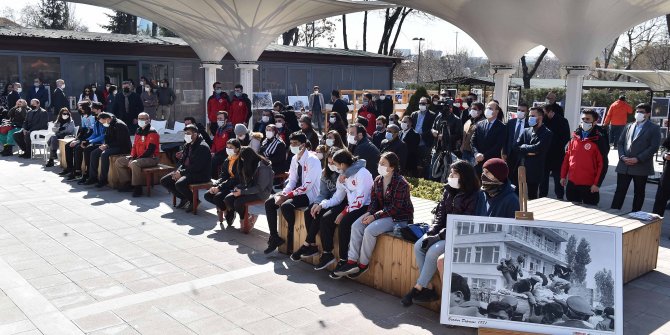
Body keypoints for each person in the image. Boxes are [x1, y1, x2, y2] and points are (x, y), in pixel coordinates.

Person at [402, 160, 480, 306]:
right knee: (419, 245)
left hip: (458, 234)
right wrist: (432, 232)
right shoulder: (448, 190)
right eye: (451, 172)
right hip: (442, 232)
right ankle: (429, 287)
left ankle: (418, 288)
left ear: (464, 176)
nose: (450, 176)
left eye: (454, 173)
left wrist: (438, 237)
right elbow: (440, 215)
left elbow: (462, 223)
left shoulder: (473, 195)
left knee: (432, 252)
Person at [332, 152, 413, 279]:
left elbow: (395, 208)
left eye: (383, 164)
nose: (379, 166)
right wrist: (369, 213)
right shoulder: (378, 180)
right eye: (379, 163)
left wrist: (374, 216)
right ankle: (351, 261)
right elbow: (374, 201)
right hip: (382, 214)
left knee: (370, 230)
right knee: (356, 225)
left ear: (392, 167)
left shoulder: (400, 183)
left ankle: (363, 265)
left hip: (399, 217)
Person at [292, 149, 373, 270]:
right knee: (325, 219)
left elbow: (360, 200)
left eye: (334, 164)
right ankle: (327, 254)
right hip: (351, 206)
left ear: (342, 164)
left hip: (365, 206)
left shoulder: (362, 174)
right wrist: (322, 205)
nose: (333, 167)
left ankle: (345, 260)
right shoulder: (342, 176)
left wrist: (343, 213)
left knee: (344, 223)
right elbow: (337, 198)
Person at [263, 132, 321, 254]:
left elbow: (306, 186)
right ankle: (274, 237)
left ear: (303, 145)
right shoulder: (294, 158)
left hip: (309, 194)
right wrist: (283, 194)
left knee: (286, 206)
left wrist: (286, 197)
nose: (292, 146)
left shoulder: (313, 160)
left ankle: (291, 238)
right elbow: (292, 180)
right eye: (291, 143)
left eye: (296, 143)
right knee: (269, 203)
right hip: (294, 193)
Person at [611, 103, 661, 212]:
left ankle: (636, 213)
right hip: (624, 165)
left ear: (648, 114)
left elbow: (654, 147)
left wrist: (638, 158)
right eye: (637, 111)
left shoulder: (654, 128)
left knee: (639, 192)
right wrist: (622, 156)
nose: (638, 114)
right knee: (620, 190)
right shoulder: (629, 126)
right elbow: (620, 143)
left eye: (642, 112)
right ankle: (614, 211)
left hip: (641, 166)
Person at [161, 124, 212, 212]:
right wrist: (178, 171)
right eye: (185, 134)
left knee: (179, 183)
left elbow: (197, 167)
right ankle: (184, 198)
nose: (186, 136)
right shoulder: (187, 145)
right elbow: (182, 161)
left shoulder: (202, 147)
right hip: (188, 171)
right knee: (165, 180)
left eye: (188, 134)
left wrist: (181, 173)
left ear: (195, 134)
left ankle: (194, 200)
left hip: (200, 174)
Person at [560, 110, 607, 205]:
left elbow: (602, 164)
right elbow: (567, 159)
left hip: (589, 185)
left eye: (588, 119)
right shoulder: (574, 137)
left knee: (590, 213)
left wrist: (597, 184)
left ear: (595, 122)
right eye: (583, 119)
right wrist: (563, 176)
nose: (584, 121)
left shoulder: (599, 140)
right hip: (572, 183)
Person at [223, 147, 274, 229]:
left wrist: (242, 192)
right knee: (228, 199)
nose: (242, 161)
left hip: (261, 193)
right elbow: (246, 182)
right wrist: (238, 187)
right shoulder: (250, 163)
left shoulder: (263, 167)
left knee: (238, 202)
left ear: (249, 158)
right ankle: (247, 216)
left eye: (244, 159)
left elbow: (260, 188)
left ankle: (245, 219)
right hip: (249, 188)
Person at [112, 112, 160, 196]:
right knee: (119, 161)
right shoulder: (138, 130)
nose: (140, 120)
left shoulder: (152, 132)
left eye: (143, 118)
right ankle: (127, 183)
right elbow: (134, 146)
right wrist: (132, 156)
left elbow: (150, 150)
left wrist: (136, 159)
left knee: (134, 164)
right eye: (139, 118)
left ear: (148, 120)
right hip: (138, 157)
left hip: (151, 158)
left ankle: (138, 187)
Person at [514, 107, 553, 200]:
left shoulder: (547, 133)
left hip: (535, 169)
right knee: (517, 194)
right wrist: (528, 151)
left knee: (532, 196)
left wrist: (523, 147)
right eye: (530, 115)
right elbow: (515, 146)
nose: (530, 117)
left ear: (540, 117)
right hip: (521, 167)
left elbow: (538, 148)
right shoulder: (526, 130)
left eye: (532, 116)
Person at [85, 113, 132, 188]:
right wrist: (105, 145)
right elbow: (107, 137)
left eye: (103, 122)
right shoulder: (109, 123)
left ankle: (103, 179)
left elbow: (121, 141)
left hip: (123, 147)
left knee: (104, 154)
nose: (103, 124)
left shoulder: (119, 125)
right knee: (94, 153)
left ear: (107, 119)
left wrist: (107, 145)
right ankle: (93, 177)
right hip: (112, 145)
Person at [205, 139, 241, 224]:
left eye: (231, 147)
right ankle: (226, 210)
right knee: (208, 195)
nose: (228, 149)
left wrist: (219, 187)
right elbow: (223, 175)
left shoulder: (240, 161)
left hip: (236, 185)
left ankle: (229, 211)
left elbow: (236, 179)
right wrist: (216, 184)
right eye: (227, 147)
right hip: (227, 184)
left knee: (217, 197)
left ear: (237, 149)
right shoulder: (228, 159)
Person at [540, 104, 570, 200]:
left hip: (557, 154)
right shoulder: (543, 121)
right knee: (543, 178)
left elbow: (566, 137)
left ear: (551, 112)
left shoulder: (562, 121)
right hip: (545, 154)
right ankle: (542, 195)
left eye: (544, 112)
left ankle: (560, 196)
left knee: (558, 177)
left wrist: (555, 145)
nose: (543, 115)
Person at [68, 102, 104, 182]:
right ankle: (77, 171)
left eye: (93, 109)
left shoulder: (103, 119)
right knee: (80, 147)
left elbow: (102, 136)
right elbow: (94, 133)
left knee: (87, 150)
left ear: (99, 110)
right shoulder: (96, 119)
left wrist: (89, 141)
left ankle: (88, 174)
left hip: (102, 143)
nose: (91, 110)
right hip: (95, 141)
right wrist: (87, 140)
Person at [471, 101, 506, 175]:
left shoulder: (502, 127)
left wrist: (484, 156)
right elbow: (473, 141)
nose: (487, 110)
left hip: (491, 163)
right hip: (478, 161)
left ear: (496, 112)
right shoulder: (480, 124)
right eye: (487, 108)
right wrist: (476, 154)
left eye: (490, 108)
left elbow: (498, 145)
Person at [503, 102, 529, 187]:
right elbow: (506, 138)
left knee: (520, 175)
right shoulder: (511, 122)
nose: (520, 112)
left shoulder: (529, 123)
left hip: (522, 153)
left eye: (523, 110)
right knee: (509, 174)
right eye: (518, 110)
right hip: (510, 153)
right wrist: (504, 152)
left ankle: (519, 192)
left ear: (527, 112)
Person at [411, 97, 437, 178]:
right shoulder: (414, 114)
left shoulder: (432, 115)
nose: (421, 105)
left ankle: (426, 178)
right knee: (414, 162)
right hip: (414, 142)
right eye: (420, 103)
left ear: (428, 105)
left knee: (425, 163)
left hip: (425, 142)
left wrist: (422, 135)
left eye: (423, 103)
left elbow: (432, 129)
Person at [210, 111, 234, 179]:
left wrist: (216, 153)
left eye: (221, 119)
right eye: (218, 119)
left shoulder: (230, 130)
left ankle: (214, 180)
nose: (218, 120)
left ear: (226, 120)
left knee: (213, 161)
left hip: (226, 153)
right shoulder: (218, 129)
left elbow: (230, 145)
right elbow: (214, 142)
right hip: (217, 153)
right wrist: (212, 151)